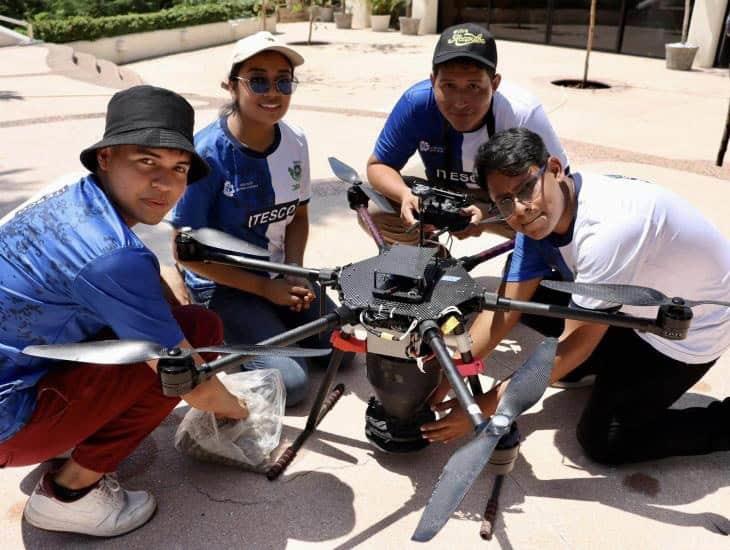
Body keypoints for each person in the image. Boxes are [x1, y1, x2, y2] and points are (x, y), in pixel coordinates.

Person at [0, 85, 249, 536]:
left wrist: (176, 318)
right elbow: (188, 380)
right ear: (106, 157)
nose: (166, 184)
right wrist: (237, 410)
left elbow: (146, 281)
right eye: (147, 162)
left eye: (178, 168)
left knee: (187, 327)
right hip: (9, 425)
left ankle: (67, 434)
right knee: (183, 353)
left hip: (18, 370)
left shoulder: (72, 198)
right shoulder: (110, 254)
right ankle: (70, 494)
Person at [422, 127, 730, 465]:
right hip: (634, 306)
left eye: (526, 187)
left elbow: (574, 345)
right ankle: (604, 364)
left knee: (604, 439)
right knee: (531, 302)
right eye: (504, 201)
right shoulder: (542, 214)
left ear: (554, 169)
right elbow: (504, 311)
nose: (520, 209)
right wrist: (446, 372)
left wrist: (485, 407)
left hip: (685, 333)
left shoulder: (609, 231)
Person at [170, 32, 348, 407]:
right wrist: (266, 290)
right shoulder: (205, 155)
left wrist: (295, 272)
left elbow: (298, 216)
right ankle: (229, 325)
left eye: (284, 80)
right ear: (231, 85)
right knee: (293, 386)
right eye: (258, 80)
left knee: (342, 351)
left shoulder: (295, 140)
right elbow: (185, 254)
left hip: (279, 275)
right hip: (223, 287)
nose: (273, 92)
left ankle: (272, 327)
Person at [365, 22, 569, 244]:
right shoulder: (417, 104)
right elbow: (378, 166)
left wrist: (490, 212)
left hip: (506, 200)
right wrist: (405, 195)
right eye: (448, 86)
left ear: (495, 83)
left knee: (546, 214)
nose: (460, 102)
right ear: (433, 81)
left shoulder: (521, 112)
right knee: (377, 209)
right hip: (447, 193)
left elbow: (561, 188)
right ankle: (433, 264)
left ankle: (535, 262)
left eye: (473, 87)